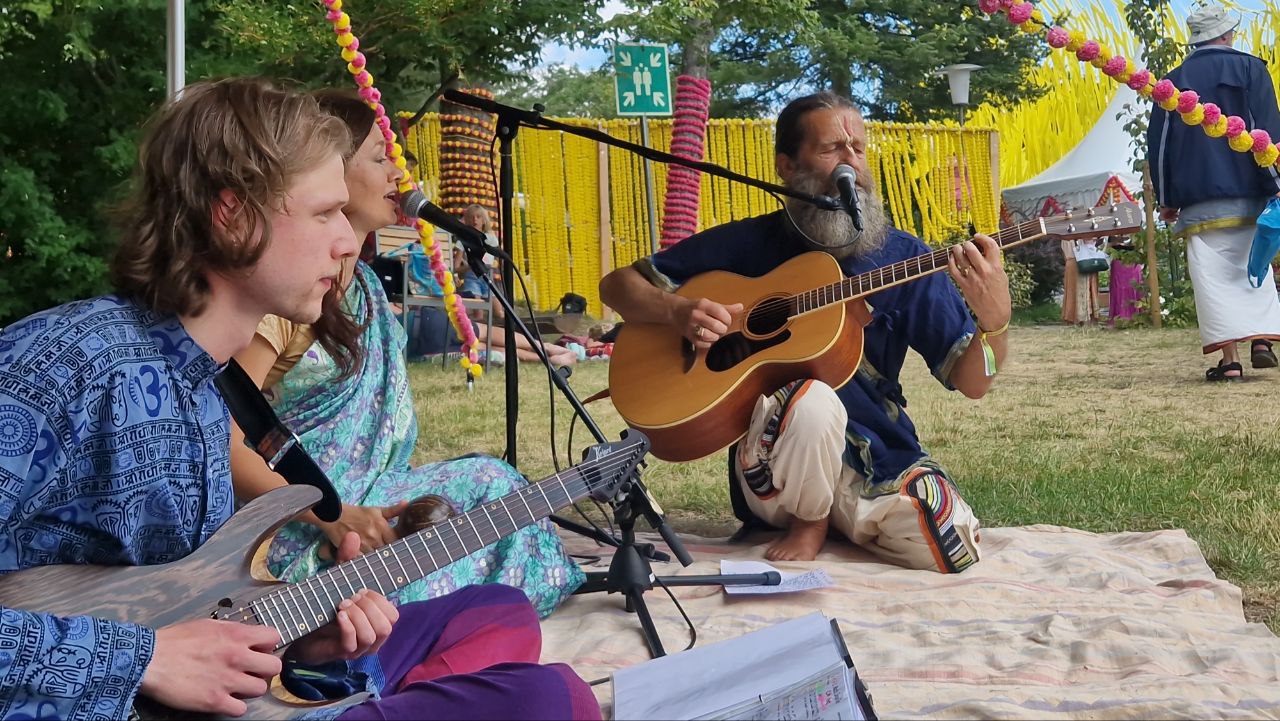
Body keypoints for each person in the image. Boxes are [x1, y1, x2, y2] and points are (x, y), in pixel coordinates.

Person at [0, 77, 599, 720]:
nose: (346, 242)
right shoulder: (64, 368)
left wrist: (303, 646)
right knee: (550, 697)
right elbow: (159, 647)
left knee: (497, 612)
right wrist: (145, 659)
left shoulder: (211, 389)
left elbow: (190, 610)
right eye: (323, 214)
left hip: (228, 694)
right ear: (233, 217)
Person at [601, 92, 1010, 569]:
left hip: (877, 458)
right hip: (776, 469)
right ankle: (809, 521)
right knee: (813, 400)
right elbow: (618, 285)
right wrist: (676, 312)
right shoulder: (749, 244)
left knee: (951, 542)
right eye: (831, 148)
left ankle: (846, 519)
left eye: (858, 148)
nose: (850, 162)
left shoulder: (904, 258)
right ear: (787, 166)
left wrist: (995, 321)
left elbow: (973, 382)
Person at [231, 90, 584, 618]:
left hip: (371, 495)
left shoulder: (366, 285)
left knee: (495, 486)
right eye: (381, 157)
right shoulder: (286, 295)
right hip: (299, 525)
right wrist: (332, 515)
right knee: (452, 551)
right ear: (327, 170)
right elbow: (224, 444)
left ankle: (478, 616)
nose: (400, 174)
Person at [1147, 3, 1280, 381]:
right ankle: (1261, 342)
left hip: (1198, 195)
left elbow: (1160, 145)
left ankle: (1230, 362)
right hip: (1253, 191)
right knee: (1255, 266)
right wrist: (1277, 183)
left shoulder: (1172, 81)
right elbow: (1268, 131)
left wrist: (1166, 198)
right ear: (1226, 34)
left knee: (1214, 279)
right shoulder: (1252, 69)